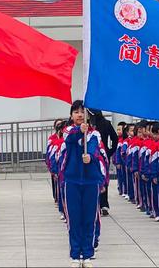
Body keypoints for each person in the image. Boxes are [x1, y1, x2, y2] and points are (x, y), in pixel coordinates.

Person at [62, 100, 104, 268]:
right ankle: (74, 254)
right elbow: (70, 140)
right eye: (76, 112)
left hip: (90, 180)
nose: (80, 115)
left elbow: (95, 149)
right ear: (72, 115)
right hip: (72, 180)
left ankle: (87, 254)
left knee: (89, 218)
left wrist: (91, 157)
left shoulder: (95, 134)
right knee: (74, 218)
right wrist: (80, 131)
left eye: (82, 112)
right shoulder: (68, 131)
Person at [88, 109, 117, 216]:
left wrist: (110, 151)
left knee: (100, 178)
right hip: (98, 154)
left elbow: (115, 138)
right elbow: (115, 139)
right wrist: (109, 151)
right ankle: (102, 203)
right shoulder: (91, 124)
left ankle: (101, 203)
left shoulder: (103, 124)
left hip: (98, 154)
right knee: (103, 177)